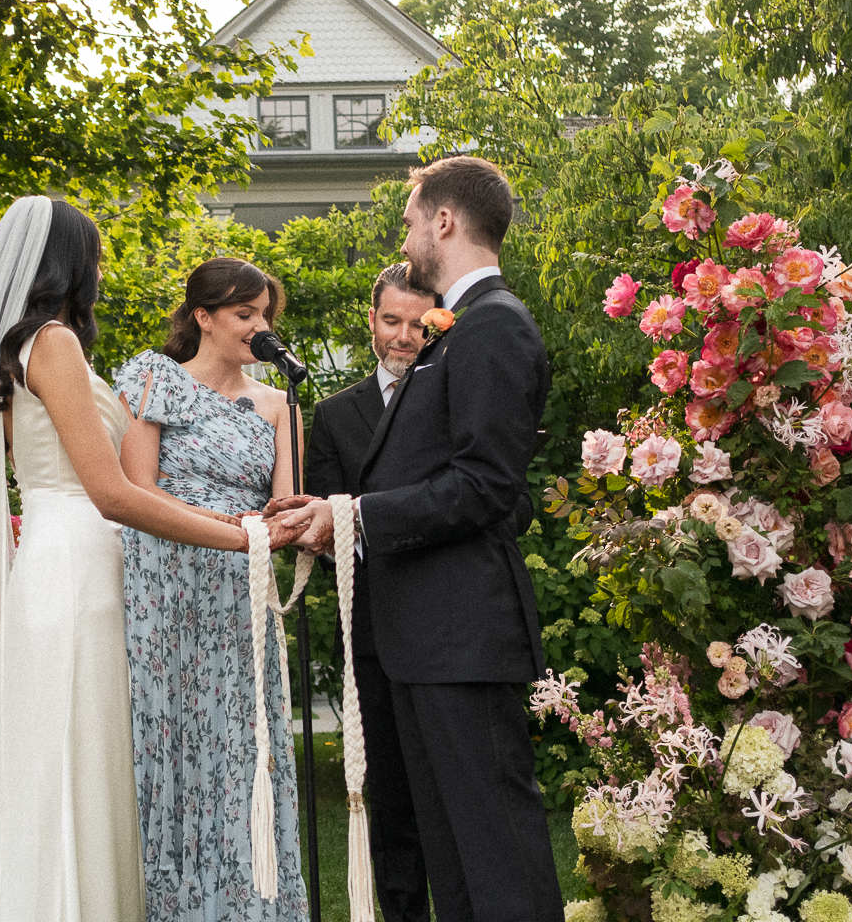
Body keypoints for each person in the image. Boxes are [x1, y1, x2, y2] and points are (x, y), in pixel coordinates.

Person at [0, 200, 303, 922]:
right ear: (68, 263)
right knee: (73, 756)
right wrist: (242, 538)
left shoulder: (23, 344)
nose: (102, 273)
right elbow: (111, 493)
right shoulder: (54, 343)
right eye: (96, 258)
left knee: (60, 755)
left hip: (58, 558)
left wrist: (216, 518)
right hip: (81, 564)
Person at [273, 158, 565, 922]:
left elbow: (486, 487)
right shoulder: (457, 331)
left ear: (443, 221)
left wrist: (357, 516)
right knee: (456, 863)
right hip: (426, 639)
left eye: (409, 218)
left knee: (500, 859)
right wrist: (335, 509)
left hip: (462, 635)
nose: (405, 233)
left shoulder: (495, 328)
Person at [113, 257, 310, 922]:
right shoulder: (153, 379)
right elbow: (136, 488)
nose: (259, 327)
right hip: (162, 584)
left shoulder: (281, 404)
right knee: (166, 740)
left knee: (239, 745)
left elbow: (286, 510)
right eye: (244, 314)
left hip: (238, 591)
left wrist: (278, 530)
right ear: (203, 316)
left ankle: (246, 905)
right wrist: (219, 527)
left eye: (265, 316)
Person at [304, 261, 437, 922]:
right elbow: (329, 529)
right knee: (390, 796)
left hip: (449, 619)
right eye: (391, 321)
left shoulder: (456, 396)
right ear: (372, 321)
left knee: (453, 790)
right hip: (374, 626)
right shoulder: (332, 416)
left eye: (417, 324)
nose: (403, 336)